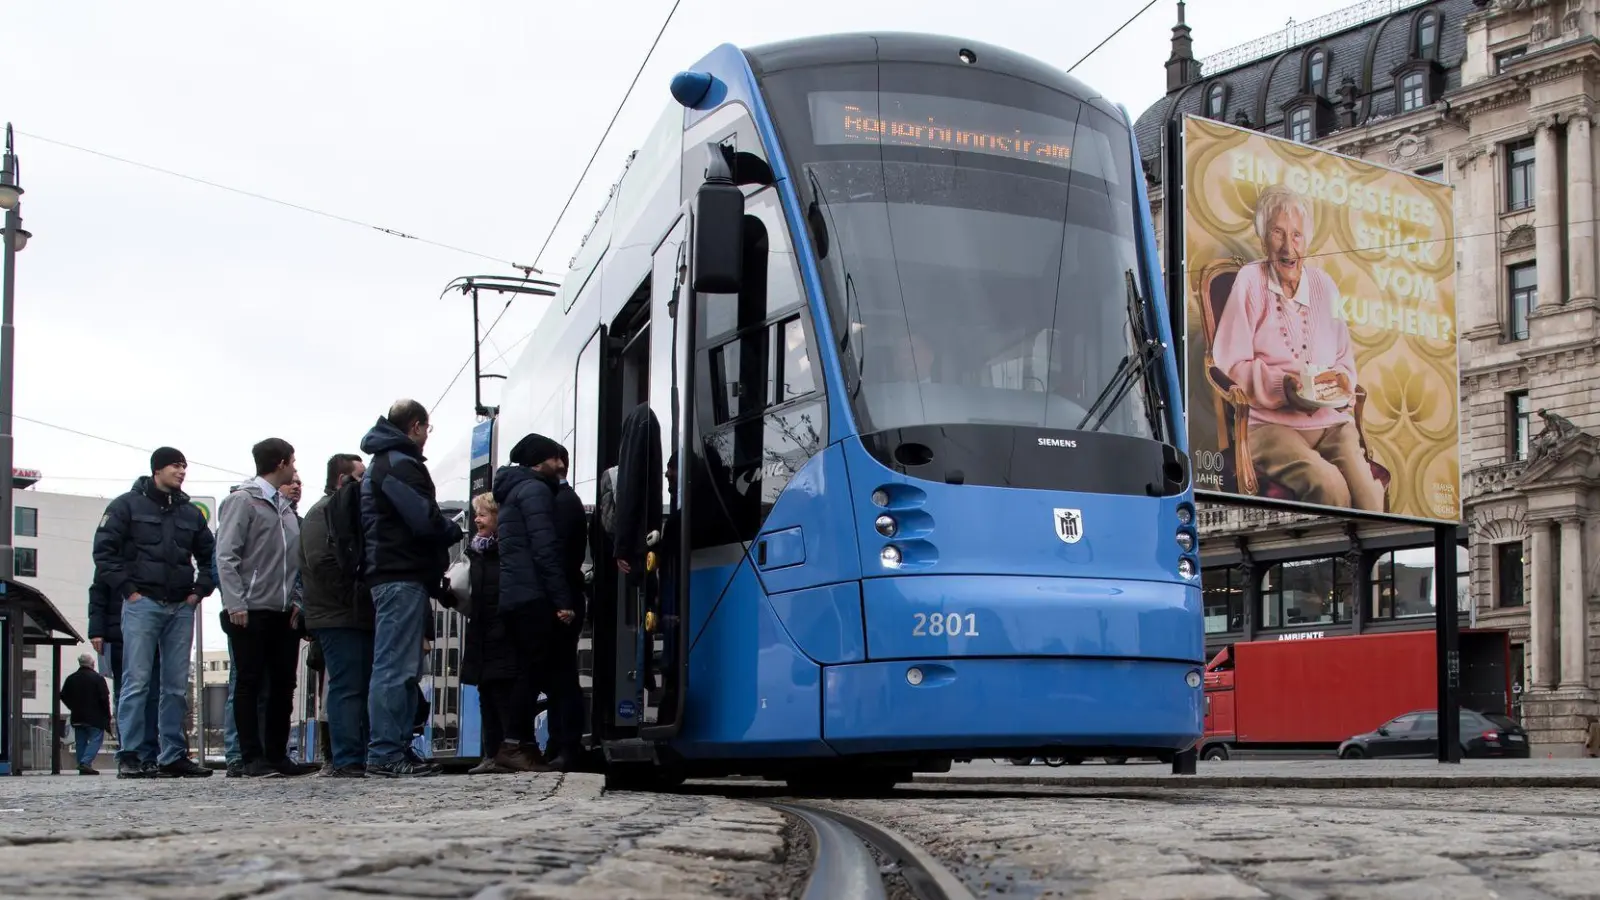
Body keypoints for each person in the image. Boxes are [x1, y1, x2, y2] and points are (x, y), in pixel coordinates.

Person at [1211, 184, 1384, 511]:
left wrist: (1333, 388)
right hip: (1269, 425)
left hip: (1330, 423)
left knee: (1370, 497)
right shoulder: (1250, 280)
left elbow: (1345, 364)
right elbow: (1229, 363)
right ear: (1264, 239)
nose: (1288, 247)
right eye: (1277, 233)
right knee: (1329, 486)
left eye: (1297, 235)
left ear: (1308, 240)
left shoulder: (1324, 285)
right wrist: (1283, 387)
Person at [91, 447, 216, 779]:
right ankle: (130, 755)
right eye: (176, 465)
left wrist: (198, 592)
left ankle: (172, 754)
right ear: (157, 469)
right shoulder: (125, 506)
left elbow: (210, 557)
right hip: (142, 603)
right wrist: (128, 591)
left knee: (175, 686)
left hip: (180, 607)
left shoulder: (190, 512)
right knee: (137, 682)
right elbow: (104, 552)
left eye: (184, 466)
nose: (182, 471)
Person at [359, 400, 462, 778]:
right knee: (395, 669)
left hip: (397, 573)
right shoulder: (399, 463)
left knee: (402, 669)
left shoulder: (386, 462)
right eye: (427, 429)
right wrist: (450, 528)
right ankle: (386, 753)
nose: (426, 437)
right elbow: (422, 518)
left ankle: (396, 748)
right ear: (416, 426)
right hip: (398, 574)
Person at [216, 438, 304, 778]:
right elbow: (226, 555)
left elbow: (295, 563)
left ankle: (277, 754)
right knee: (250, 682)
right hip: (250, 610)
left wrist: (297, 600)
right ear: (281, 462)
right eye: (292, 462)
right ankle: (251, 757)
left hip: (284, 611)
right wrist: (235, 602)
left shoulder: (284, 507)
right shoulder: (243, 501)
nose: (295, 468)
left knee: (283, 684)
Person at [491, 433, 577, 772]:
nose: (560, 465)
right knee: (532, 672)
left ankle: (523, 746)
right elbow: (545, 550)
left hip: (515, 597)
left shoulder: (512, 491)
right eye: (555, 458)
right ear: (540, 461)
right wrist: (563, 600)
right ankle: (514, 744)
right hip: (534, 596)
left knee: (527, 670)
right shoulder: (537, 491)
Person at [300, 453, 372, 779]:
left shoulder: (342, 511)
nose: (365, 483)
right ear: (343, 480)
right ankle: (346, 758)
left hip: (347, 612)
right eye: (360, 477)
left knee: (356, 684)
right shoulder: (322, 513)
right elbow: (322, 565)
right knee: (347, 685)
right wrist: (359, 590)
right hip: (336, 614)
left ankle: (355, 754)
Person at [86, 579, 159, 772]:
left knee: (148, 696)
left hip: (139, 633)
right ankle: (131, 753)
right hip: (119, 636)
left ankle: (144, 753)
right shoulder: (114, 558)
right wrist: (97, 631)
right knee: (128, 694)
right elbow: (98, 593)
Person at [546, 449, 588, 770]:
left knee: (561, 675)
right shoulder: (564, 499)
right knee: (559, 674)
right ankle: (560, 742)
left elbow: (556, 557)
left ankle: (565, 744)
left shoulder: (561, 502)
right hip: (566, 596)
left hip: (564, 599)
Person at [60, 653, 111, 775]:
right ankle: (85, 763)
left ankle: (82, 765)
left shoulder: (71, 678)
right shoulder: (98, 678)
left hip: (77, 716)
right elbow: (104, 699)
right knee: (96, 739)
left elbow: (63, 695)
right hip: (95, 718)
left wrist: (72, 707)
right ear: (92, 664)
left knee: (80, 741)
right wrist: (107, 717)